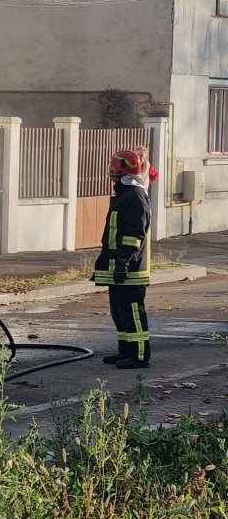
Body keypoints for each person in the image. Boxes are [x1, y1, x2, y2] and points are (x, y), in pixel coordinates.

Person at [93, 149, 152, 369]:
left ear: (122, 173)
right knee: (120, 312)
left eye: (114, 172)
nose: (112, 176)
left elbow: (133, 233)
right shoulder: (125, 195)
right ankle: (125, 352)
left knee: (133, 312)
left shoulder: (134, 196)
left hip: (130, 269)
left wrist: (124, 262)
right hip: (118, 267)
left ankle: (139, 356)